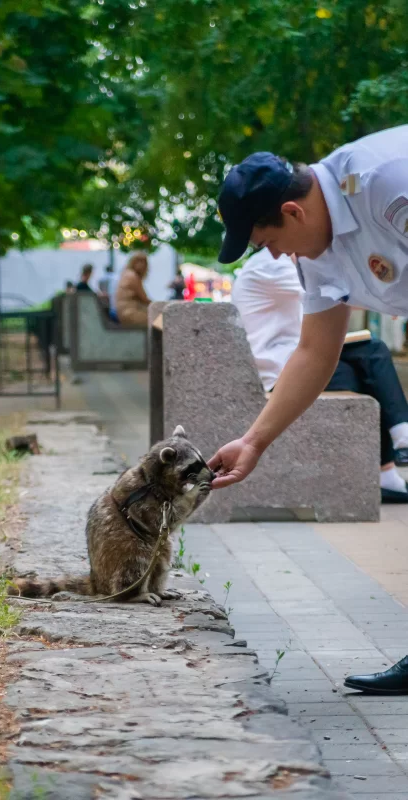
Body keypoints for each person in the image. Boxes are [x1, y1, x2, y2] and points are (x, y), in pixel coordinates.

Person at [210, 125, 408, 693]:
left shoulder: (382, 180)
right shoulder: (317, 250)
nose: (272, 255)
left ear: (292, 212)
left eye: (266, 240)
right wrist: (254, 441)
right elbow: (315, 350)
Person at [232, 247, 408, 502]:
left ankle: (395, 453)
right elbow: (331, 295)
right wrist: (389, 298)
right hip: (280, 370)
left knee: (370, 355)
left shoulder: (271, 263)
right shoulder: (272, 265)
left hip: (287, 360)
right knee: (368, 364)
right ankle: (395, 452)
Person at [115, 251, 151, 327]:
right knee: (161, 321)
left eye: (144, 262)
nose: (142, 265)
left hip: (124, 312)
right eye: (138, 261)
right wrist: (160, 305)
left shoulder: (127, 273)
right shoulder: (132, 276)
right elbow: (144, 298)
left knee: (159, 320)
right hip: (130, 313)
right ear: (132, 262)